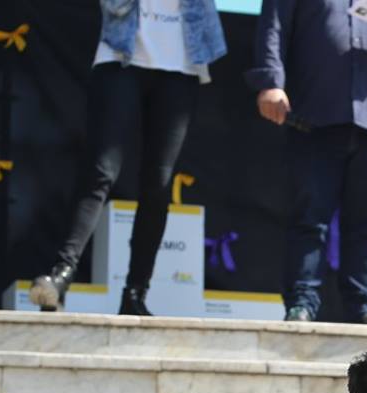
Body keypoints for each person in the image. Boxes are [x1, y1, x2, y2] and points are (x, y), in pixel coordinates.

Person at [29, 0, 226, 316]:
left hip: (181, 66)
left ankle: (136, 292)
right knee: (101, 169)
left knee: (158, 183)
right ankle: (61, 275)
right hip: (122, 56)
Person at [245, 1, 367, 324]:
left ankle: (364, 308)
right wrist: (270, 82)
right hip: (315, 117)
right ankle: (301, 304)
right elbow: (273, 27)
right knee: (308, 218)